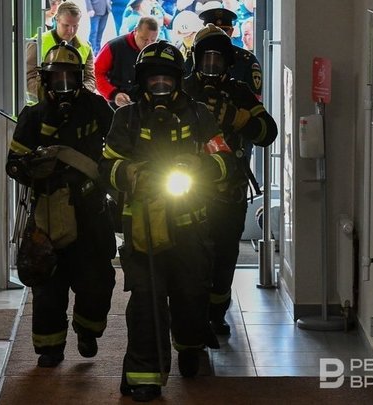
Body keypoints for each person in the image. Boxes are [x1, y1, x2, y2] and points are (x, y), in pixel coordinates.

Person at [99, 41, 235, 402]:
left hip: (191, 226)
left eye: (166, 81)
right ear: (142, 82)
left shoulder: (199, 115)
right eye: (153, 81)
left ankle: (190, 346)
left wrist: (201, 166)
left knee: (191, 295)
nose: (160, 87)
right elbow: (106, 166)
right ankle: (145, 375)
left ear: (177, 81)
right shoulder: (126, 118)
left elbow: (226, 162)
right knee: (146, 300)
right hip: (141, 225)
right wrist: (129, 174)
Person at [7, 41, 117, 368]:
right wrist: (33, 169)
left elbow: (116, 151)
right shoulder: (34, 115)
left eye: (70, 77)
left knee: (97, 280)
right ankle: (49, 348)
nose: (65, 85)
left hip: (91, 211)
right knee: (47, 286)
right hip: (48, 213)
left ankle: (87, 330)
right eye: (58, 79)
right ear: (46, 80)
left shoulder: (97, 108)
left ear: (79, 77)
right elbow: (13, 164)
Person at [183, 24, 277, 335]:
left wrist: (240, 118)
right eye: (206, 59)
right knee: (189, 255)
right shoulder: (181, 91)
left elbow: (268, 133)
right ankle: (189, 316)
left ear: (228, 63)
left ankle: (216, 313)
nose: (212, 67)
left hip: (229, 192)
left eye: (218, 61)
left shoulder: (240, 93)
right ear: (196, 59)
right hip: (185, 190)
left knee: (224, 257)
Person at [26, 1, 96, 103]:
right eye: (66, 25)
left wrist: (79, 94)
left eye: (75, 26)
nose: (71, 30)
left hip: (74, 106)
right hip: (41, 106)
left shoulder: (85, 46)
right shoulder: (37, 43)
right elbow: (28, 77)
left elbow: (90, 78)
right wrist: (47, 95)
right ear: (56, 20)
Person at [185, 7, 263, 99]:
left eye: (224, 31)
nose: (218, 36)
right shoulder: (194, 57)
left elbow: (253, 100)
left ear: (231, 32)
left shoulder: (246, 60)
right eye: (213, 32)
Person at [94, 16, 159, 109]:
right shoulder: (114, 47)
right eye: (144, 39)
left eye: (153, 40)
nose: (148, 44)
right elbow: (96, 73)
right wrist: (113, 94)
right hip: (117, 103)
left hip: (146, 103)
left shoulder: (158, 49)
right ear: (136, 31)